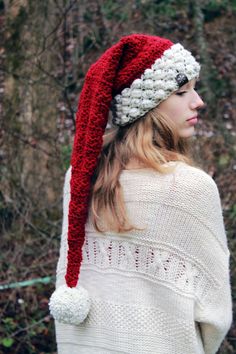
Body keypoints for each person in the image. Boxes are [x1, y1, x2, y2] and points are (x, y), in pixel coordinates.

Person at [49, 34, 232, 354]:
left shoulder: (79, 178)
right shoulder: (191, 189)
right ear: (147, 107)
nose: (198, 101)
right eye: (181, 91)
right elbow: (214, 316)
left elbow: (68, 281)